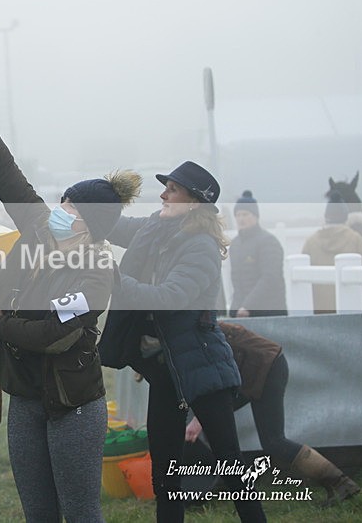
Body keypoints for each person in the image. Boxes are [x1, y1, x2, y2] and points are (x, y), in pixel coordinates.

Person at [0, 106, 142, 523]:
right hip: (25, 400)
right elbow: (10, 180)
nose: (59, 209)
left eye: (69, 206)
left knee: (80, 512)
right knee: (38, 513)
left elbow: (53, 336)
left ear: (87, 223)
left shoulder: (97, 272)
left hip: (73, 407)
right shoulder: (39, 230)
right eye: (63, 201)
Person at [99, 161, 266, 522]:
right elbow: (112, 226)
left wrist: (114, 280)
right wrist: (92, 200)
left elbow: (169, 297)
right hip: (166, 370)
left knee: (231, 466)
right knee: (165, 471)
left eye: (172, 189)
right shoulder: (156, 228)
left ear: (193, 202)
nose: (163, 194)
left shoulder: (201, 246)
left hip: (202, 367)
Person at [185, 322, 360, 504]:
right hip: (250, 370)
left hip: (265, 367)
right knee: (215, 425)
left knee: (274, 441)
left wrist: (200, 419)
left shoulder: (198, 331)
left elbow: (222, 376)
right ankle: (229, 485)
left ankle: (341, 483)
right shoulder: (188, 334)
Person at [302, 192, 362, 313]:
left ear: (326, 217)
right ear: (345, 217)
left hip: (319, 313)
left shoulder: (311, 242)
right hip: (352, 311)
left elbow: (302, 283)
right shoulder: (356, 239)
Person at [228, 190, 287, 317]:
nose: (241, 219)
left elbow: (270, 278)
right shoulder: (235, 244)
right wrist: (235, 309)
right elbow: (236, 282)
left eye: (245, 214)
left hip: (268, 311)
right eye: (238, 215)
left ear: (255, 216)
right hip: (242, 312)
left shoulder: (268, 242)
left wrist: (248, 306)